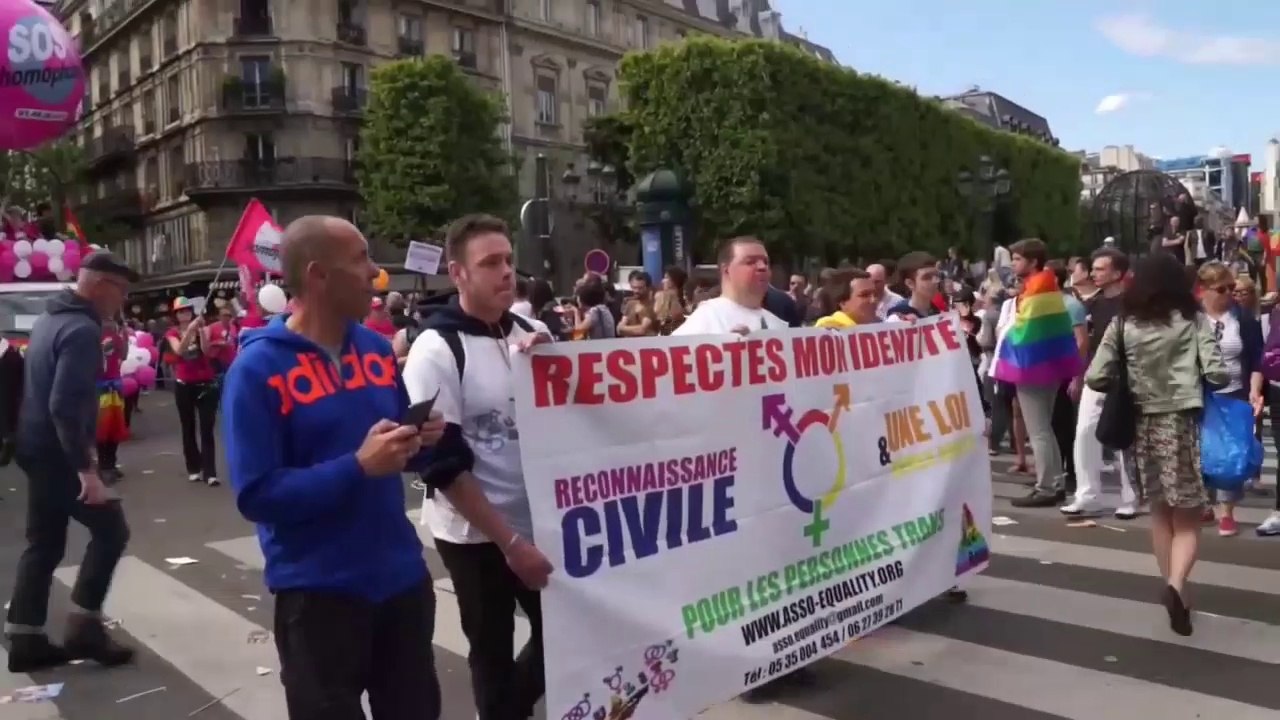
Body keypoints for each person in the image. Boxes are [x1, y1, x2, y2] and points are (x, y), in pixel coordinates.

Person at [223, 216, 448, 720]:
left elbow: (396, 449)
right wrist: (356, 468)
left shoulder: (374, 349)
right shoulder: (256, 370)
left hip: (401, 580)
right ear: (318, 276)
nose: (375, 273)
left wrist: (422, 439)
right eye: (361, 260)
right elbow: (257, 495)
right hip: (318, 595)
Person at [403, 214, 555, 720]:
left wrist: (559, 363)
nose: (507, 272)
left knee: (568, 633)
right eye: (490, 263)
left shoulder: (536, 330)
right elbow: (441, 466)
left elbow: (580, 422)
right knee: (491, 648)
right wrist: (511, 544)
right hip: (475, 535)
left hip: (543, 520)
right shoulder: (434, 348)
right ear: (458, 273)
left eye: (509, 260)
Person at [5, 252, 138, 672]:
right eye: (120, 290)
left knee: (43, 542)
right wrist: (87, 471)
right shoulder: (81, 329)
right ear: (99, 284)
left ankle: (24, 636)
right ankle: (84, 626)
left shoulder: (47, 319)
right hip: (59, 453)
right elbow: (63, 404)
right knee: (112, 531)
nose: (122, 300)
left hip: (34, 445)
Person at [1085, 252, 1227, 636]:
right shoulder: (1193, 320)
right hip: (1182, 424)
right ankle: (1177, 586)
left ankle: (1173, 585)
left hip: (1140, 426)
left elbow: (1095, 376)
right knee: (1189, 517)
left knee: (1160, 513)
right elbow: (1217, 372)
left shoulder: (1122, 323)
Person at [992, 239, 1083, 508]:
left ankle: (1046, 486)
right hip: (1048, 366)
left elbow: (1023, 332)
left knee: (1039, 430)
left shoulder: (1038, 289)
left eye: (1018, 259)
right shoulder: (1046, 285)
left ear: (1032, 262)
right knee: (1045, 429)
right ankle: (1054, 483)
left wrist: (1005, 338)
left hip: (1033, 367)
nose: (1013, 264)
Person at [1061, 248, 1141, 519]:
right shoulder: (1091, 304)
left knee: (1122, 438)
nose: (1094, 273)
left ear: (1117, 273)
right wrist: (1079, 374)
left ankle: (1130, 497)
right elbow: (1085, 341)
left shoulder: (1132, 304)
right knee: (1084, 431)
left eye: (1100, 269)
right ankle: (1087, 495)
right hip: (1096, 375)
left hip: (1125, 378)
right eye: (1093, 269)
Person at [1197, 261, 1264, 537]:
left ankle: (1227, 512)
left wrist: (1255, 390)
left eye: (1231, 288)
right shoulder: (1192, 319)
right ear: (1204, 290)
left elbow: (1257, 358)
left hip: (1235, 391)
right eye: (1221, 289)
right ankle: (1204, 500)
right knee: (1202, 449)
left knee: (1232, 453)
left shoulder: (1243, 318)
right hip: (1201, 394)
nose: (1228, 294)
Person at [675, 237, 789, 336]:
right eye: (750, 262)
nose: (762, 267)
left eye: (766, 262)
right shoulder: (706, 318)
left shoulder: (780, 326)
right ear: (726, 270)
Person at [165, 297, 220, 486]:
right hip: (184, 385)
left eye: (187, 310)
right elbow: (178, 351)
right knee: (188, 428)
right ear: (176, 315)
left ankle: (210, 471)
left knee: (207, 428)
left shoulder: (202, 327)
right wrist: (189, 331)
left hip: (205, 384)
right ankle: (193, 467)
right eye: (181, 311)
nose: (185, 314)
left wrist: (202, 332)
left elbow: (206, 351)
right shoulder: (172, 333)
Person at [814, 269, 879, 328]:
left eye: (875, 294)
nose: (873, 300)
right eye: (865, 295)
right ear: (843, 302)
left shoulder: (879, 325)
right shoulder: (829, 327)